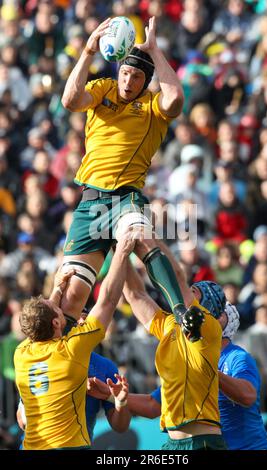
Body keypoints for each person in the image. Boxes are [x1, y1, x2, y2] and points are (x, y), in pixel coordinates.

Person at [60, 16, 194, 336]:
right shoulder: (102, 88)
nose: (128, 81)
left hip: (125, 196)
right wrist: (88, 51)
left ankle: (181, 313)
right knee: (73, 292)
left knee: (141, 234)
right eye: (124, 72)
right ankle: (60, 346)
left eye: (136, 76)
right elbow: (69, 100)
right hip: (90, 202)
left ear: (145, 80)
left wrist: (154, 51)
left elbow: (175, 98)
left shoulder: (152, 108)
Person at [88, 302, 267, 450]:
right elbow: (154, 405)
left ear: (224, 322)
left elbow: (247, 396)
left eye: (212, 313)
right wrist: (111, 395)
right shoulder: (189, 361)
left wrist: (208, 373)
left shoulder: (237, 357)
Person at [13, 230, 135, 450]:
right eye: (61, 313)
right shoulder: (74, 349)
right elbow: (107, 300)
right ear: (57, 324)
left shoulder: (21, 353)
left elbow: (44, 318)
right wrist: (122, 253)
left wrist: (58, 287)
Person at [120, 253, 227, 450]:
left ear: (207, 306)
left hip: (202, 444)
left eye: (194, 291)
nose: (184, 291)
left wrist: (147, 241)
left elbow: (177, 278)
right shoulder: (171, 324)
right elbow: (136, 295)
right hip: (172, 444)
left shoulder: (210, 327)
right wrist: (120, 251)